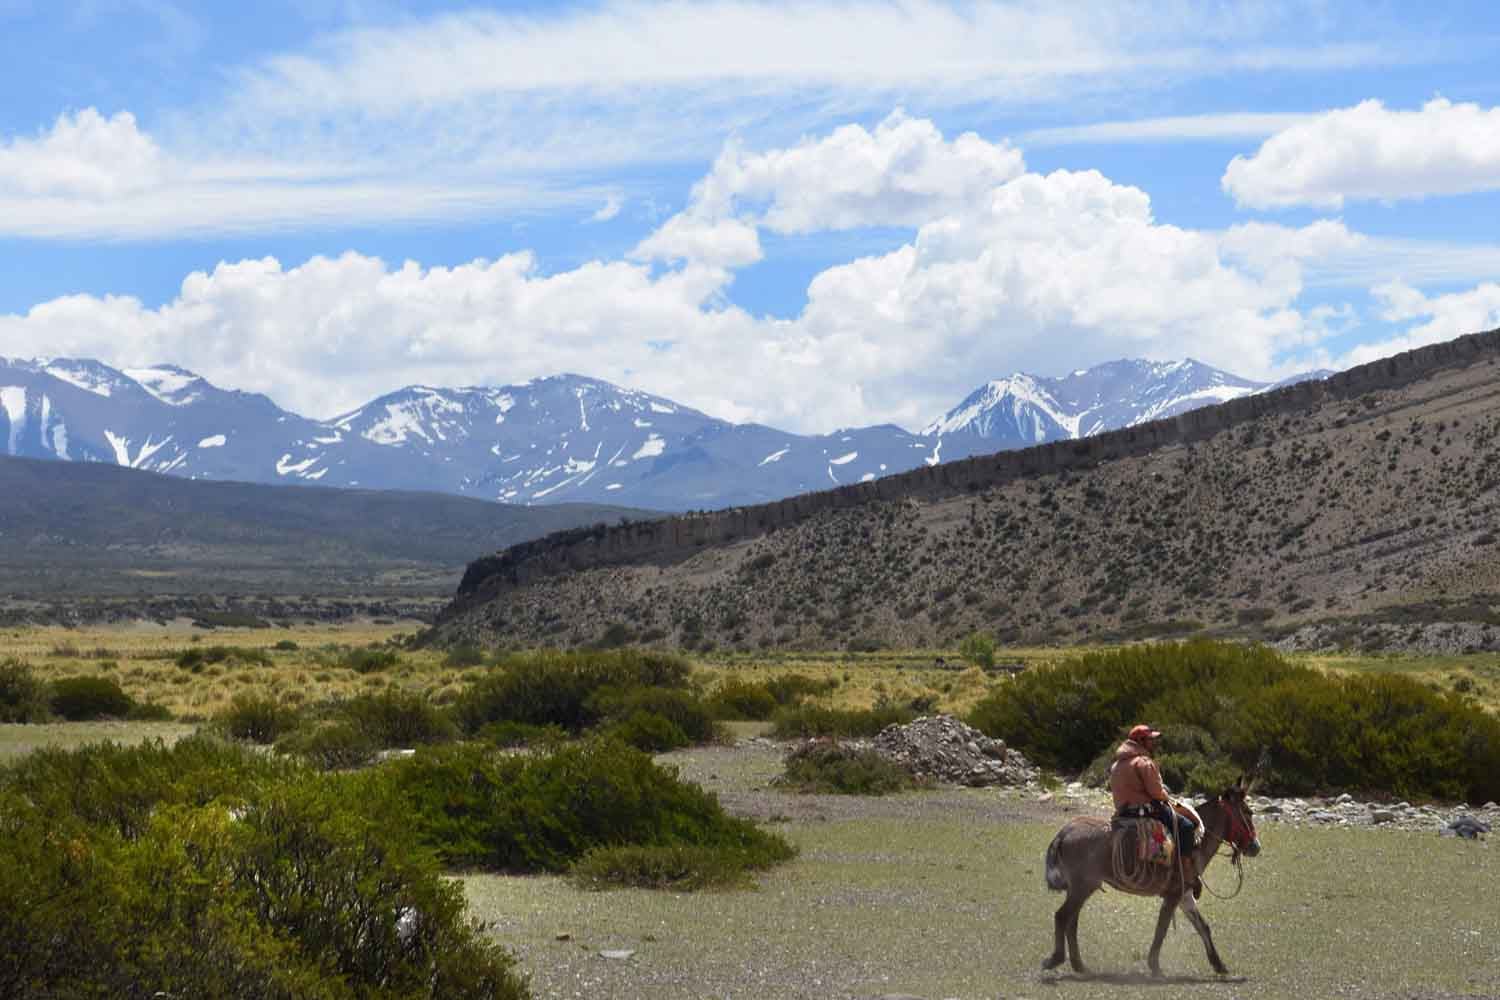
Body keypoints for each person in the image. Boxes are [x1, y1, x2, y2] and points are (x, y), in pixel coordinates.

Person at [1109, 724, 1200, 894]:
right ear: (1141, 741)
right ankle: (1184, 871)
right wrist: (1166, 796)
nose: (1154, 743)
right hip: (1146, 810)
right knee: (1186, 827)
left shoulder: (1117, 765)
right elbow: (1156, 792)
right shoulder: (1144, 763)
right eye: (1151, 740)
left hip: (1123, 812)